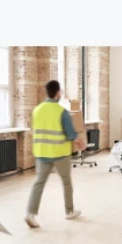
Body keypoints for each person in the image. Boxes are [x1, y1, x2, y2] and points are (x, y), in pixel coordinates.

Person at [25, 80, 85, 228]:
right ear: (58, 92)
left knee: (39, 183)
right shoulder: (62, 112)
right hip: (60, 153)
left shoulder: (37, 110)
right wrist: (81, 142)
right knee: (66, 182)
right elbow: (71, 134)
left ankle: (30, 214)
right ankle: (69, 211)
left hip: (41, 153)